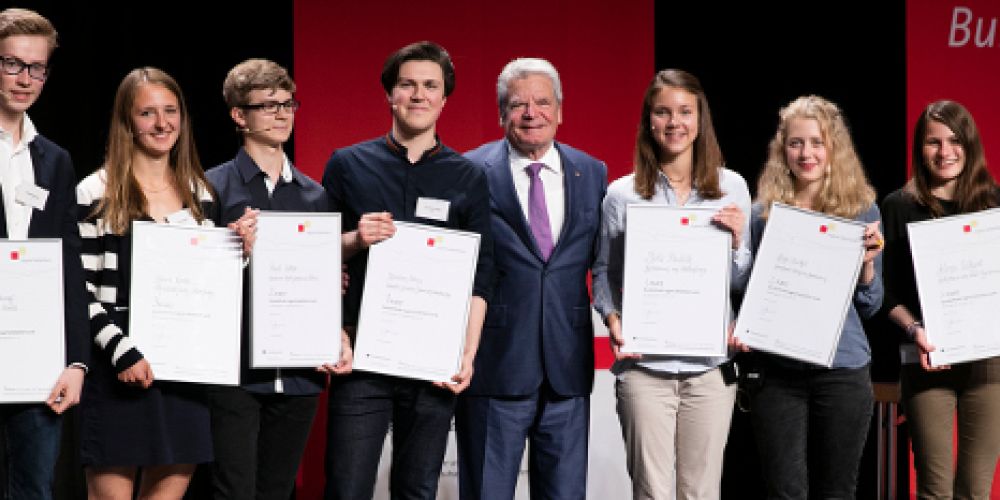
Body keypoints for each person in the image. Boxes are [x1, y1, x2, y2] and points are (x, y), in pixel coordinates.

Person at [320, 41, 493, 500]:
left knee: (417, 490)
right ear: (390, 95)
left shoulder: (468, 177)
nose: (419, 95)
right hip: (360, 359)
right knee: (347, 487)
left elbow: (481, 276)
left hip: (431, 360)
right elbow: (315, 257)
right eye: (407, 84)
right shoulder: (348, 164)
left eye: (430, 86)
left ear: (444, 98)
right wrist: (356, 240)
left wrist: (466, 354)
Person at [76, 67, 256, 499]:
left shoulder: (201, 195)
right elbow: (77, 290)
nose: (162, 124)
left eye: (170, 111)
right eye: (148, 113)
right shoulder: (94, 192)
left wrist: (240, 256)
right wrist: (123, 351)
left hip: (184, 373)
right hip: (118, 367)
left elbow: (212, 292)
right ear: (127, 121)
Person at [590, 69, 750, 500]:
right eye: (662, 112)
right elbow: (604, 274)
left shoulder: (731, 187)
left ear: (700, 120)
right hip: (645, 369)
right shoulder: (622, 194)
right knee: (651, 493)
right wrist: (613, 320)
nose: (674, 122)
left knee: (700, 492)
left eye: (684, 112)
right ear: (649, 122)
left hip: (710, 371)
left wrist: (737, 242)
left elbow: (741, 279)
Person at [455, 57, 607, 500]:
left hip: (567, 370)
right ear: (502, 113)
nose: (530, 113)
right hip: (495, 367)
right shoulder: (470, 172)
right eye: (518, 104)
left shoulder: (592, 172)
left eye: (542, 102)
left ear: (560, 111)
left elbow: (605, 261)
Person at [203, 58, 353, 500]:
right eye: (268, 105)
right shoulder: (212, 188)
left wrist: (337, 332)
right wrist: (229, 248)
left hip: (301, 372)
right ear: (238, 115)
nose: (282, 113)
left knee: (278, 490)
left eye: (288, 104)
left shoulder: (315, 194)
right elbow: (196, 281)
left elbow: (327, 278)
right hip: (236, 371)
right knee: (233, 490)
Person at [748, 95, 884, 499]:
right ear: (782, 150)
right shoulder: (763, 215)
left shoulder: (861, 211)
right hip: (778, 372)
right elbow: (751, 290)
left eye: (816, 142)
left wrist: (868, 265)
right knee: (784, 491)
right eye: (796, 143)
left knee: (837, 491)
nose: (806, 153)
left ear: (833, 149)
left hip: (842, 371)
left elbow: (871, 305)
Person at [881, 100, 1000, 499]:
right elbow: (886, 292)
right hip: (926, 360)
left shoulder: (994, 204)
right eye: (933, 142)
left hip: (988, 365)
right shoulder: (899, 206)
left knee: (976, 490)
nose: (944, 152)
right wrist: (914, 329)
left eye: (953, 140)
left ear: (969, 144)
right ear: (920, 148)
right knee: (934, 490)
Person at [0, 8, 89, 500]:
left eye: (37, 68)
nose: (25, 79)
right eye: (13, 64)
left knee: (34, 489)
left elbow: (68, 269)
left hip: (35, 364)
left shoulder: (54, 159)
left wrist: (76, 362)